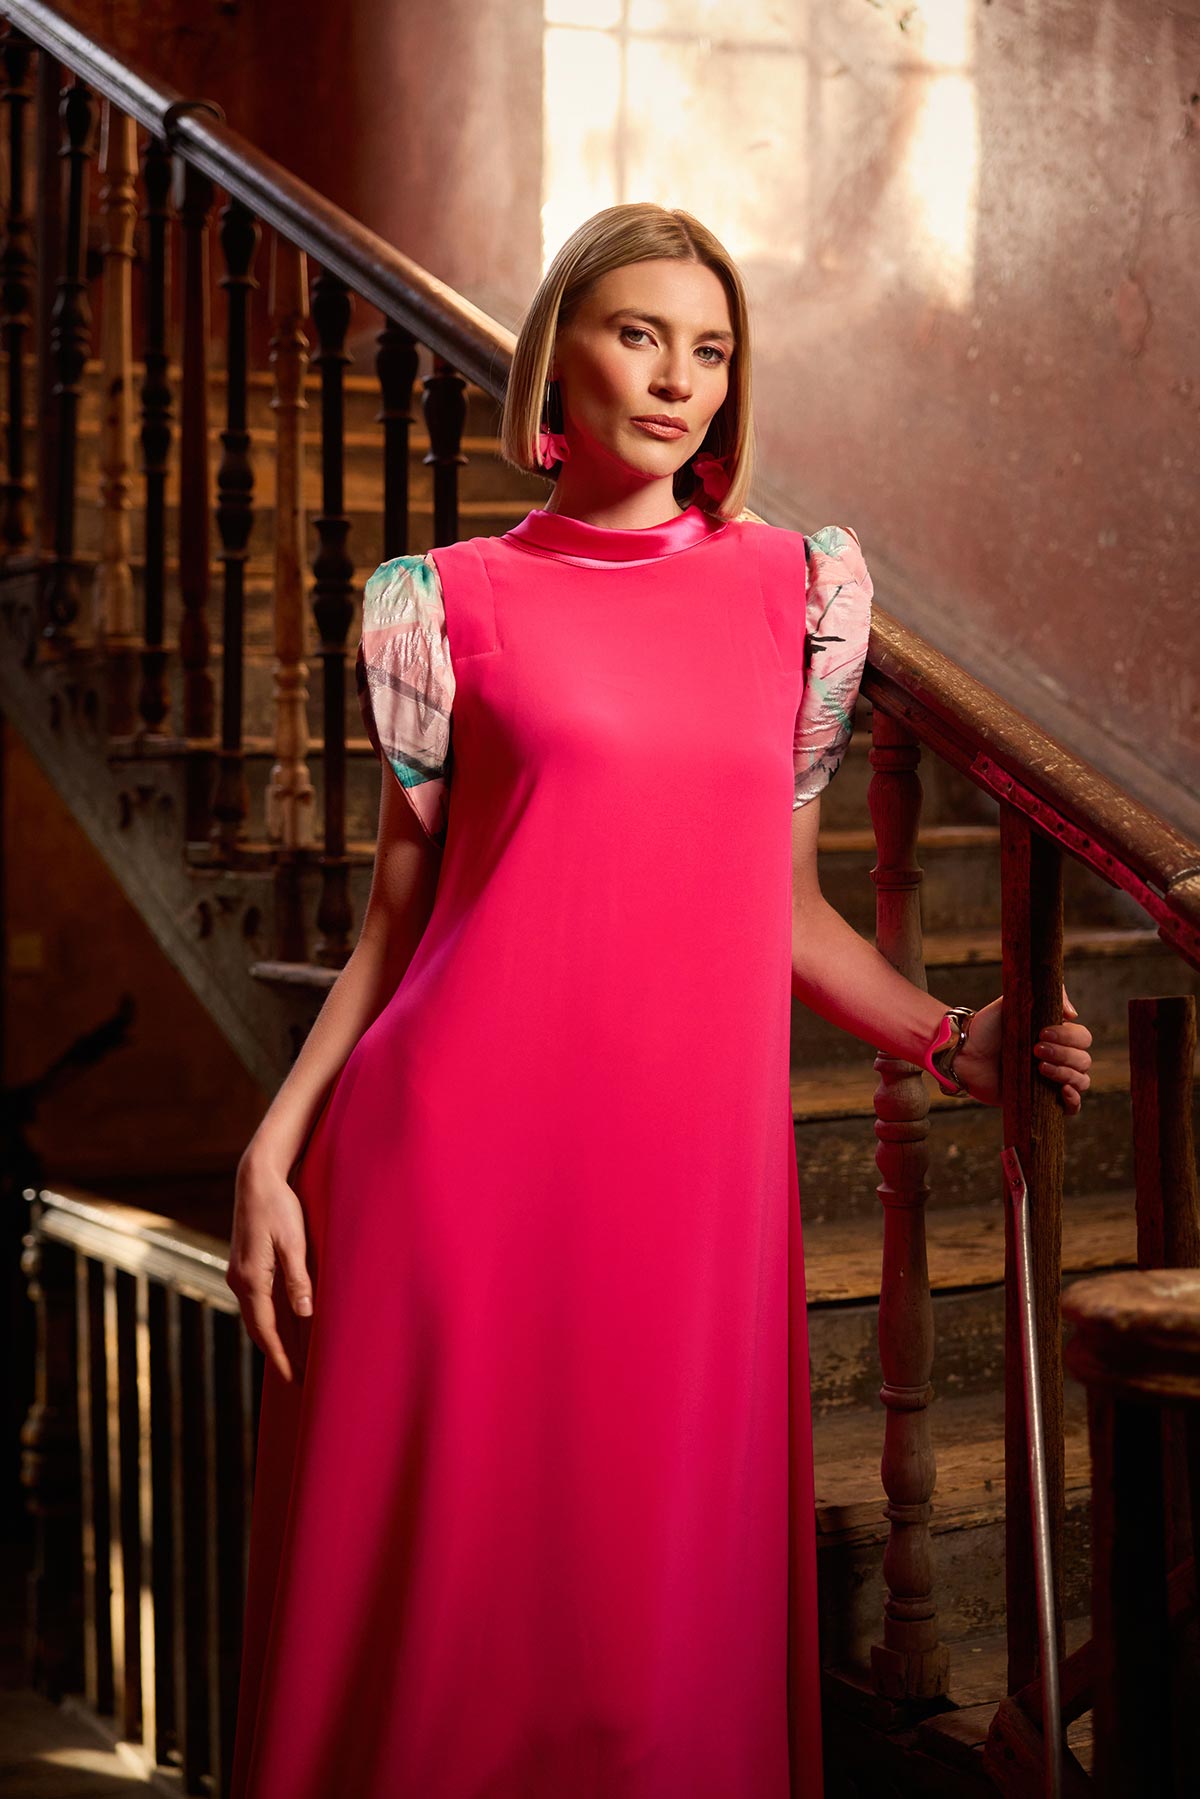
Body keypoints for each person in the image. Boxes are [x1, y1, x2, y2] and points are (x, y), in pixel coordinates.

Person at [225, 202, 1093, 1799]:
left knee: (646, 1655)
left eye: (711, 347)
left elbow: (789, 910)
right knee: (446, 1642)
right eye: (639, 335)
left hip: (691, 1182)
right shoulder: (442, 602)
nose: (678, 377)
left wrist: (949, 1040)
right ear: (560, 350)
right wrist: (274, 1150)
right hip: (451, 1170)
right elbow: (392, 928)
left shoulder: (798, 593)